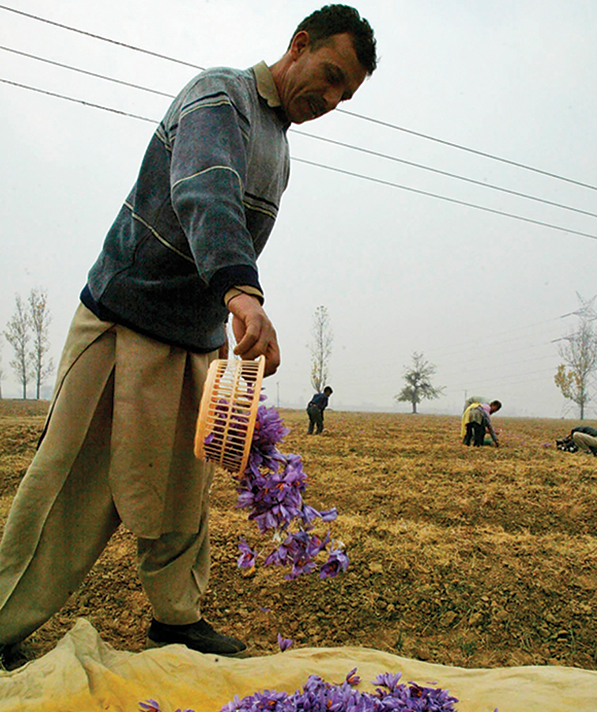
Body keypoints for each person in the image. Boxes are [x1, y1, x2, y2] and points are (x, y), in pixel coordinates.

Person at [0, 6, 377, 670]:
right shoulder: (219, 97)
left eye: (344, 94)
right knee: (71, 485)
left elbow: (226, 226)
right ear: (298, 45)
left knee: (182, 490)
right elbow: (205, 193)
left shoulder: (279, 148)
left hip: (193, 335)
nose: (329, 100)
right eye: (329, 76)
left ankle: (176, 620)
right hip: (124, 316)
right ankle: (3, 618)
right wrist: (242, 292)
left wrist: (225, 315)